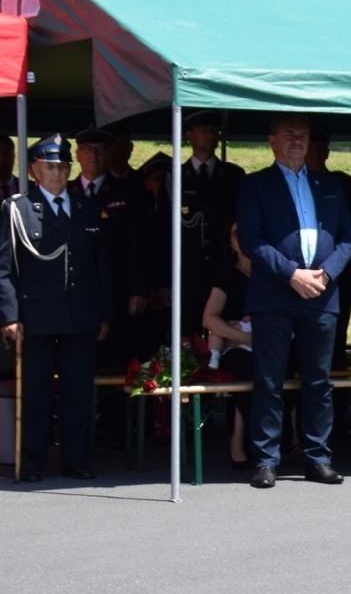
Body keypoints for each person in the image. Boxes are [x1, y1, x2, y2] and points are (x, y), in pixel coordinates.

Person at [236, 113, 351, 489]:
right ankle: (267, 459)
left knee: (318, 382)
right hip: (274, 294)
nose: (296, 140)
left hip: (321, 294)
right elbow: (252, 241)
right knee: (269, 380)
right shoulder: (256, 185)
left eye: (302, 135)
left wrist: (326, 273)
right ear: (271, 141)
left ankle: (317, 457)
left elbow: (347, 239)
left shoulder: (330, 184)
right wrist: (291, 273)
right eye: (288, 134)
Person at [0, 134, 111, 482]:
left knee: (79, 392)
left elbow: (101, 268)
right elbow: (5, 268)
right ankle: (32, 462)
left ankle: (76, 460)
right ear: (34, 170)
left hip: (79, 315)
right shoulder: (18, 210)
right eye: (50, 166)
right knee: (36, 393)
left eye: (63, 166)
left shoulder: (86, 207)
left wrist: (104, 313)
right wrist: (10, 315)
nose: (58, 173)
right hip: (37, 316)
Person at [72, 128, 151, 373]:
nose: (93, 155)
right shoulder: (66, 191)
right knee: (77, 362)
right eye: (87, 150)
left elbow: (140, 242)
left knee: (117, 361)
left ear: (109, 154)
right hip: (77, 290)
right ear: (77, 155)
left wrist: (139, 289)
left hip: (119, 288)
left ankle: (114, 413)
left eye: (100, 150)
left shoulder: (129, 191)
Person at [165, 110, 245, 335]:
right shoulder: (176, 175)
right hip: (187, 267)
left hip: (224, 265)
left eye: (213, 131)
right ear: (189, 135)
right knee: (188, 331)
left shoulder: (233, 175)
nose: (208, 136)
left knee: (224, 327)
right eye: (202, 130)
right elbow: (164, 229)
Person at [201, 221, 256, 471]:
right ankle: (239, 439)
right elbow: (209, 318)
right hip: (235, 345)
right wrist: (240, 336)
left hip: (270, 342)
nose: (241, 238)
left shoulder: (270, 271)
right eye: (236, 234)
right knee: (245, 371)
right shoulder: (227, 276)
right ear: (231, 243)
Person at [308, 129, 351, 369]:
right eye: (314, 147)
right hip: (298, 276)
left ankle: (338, 403)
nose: (318, 153)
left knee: (336, 340)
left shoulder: (343, 183)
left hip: (337, 275)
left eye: (323, 148)